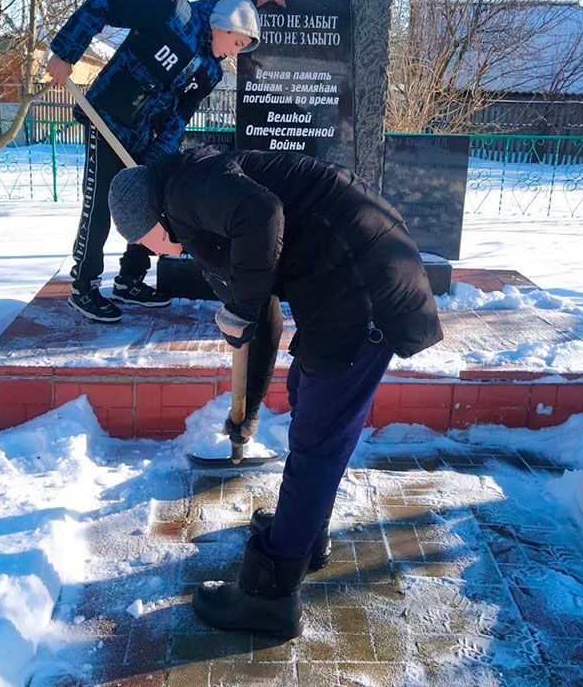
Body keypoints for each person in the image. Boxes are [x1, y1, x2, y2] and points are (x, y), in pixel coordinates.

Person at [107, 147, 443, 639]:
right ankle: (304, 535)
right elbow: (260, 315)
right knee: (309, 396)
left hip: (364, 286)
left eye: (147, 240)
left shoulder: (187, 187)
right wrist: (249, 410)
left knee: (317, 444)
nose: (155, 251)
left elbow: (263, 214)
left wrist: (241, 307)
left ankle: (269, 597)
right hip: (345, 283)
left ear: (155, 216)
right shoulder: (197, 203)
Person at [44, 0, 260, 323]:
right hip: (108, 119)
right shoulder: (173, 13)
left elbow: (180, 115)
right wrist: (65, 51)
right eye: (238, 42)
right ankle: (84, 285)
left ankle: (130, 279)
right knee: (100, 203)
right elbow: (102, 5)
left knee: (153, 203)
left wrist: (160, 158)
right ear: (223, 25)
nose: (237, 52)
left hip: (146, 136)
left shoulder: (210, 72)